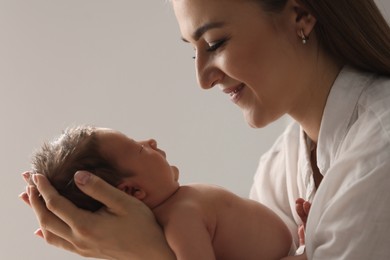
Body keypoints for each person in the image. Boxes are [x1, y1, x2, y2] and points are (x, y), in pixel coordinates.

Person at [20, 0, 390, 259]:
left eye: (215, 43)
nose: (202, 78)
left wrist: (152, 254)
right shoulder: (282, 163)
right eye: (192, 50)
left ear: (301, 16)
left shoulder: (379, 151)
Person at [29, 125, 293, 259]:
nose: (150, 142)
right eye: (139, 149)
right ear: (133, 191)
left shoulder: (181, 206)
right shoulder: (180, 220)